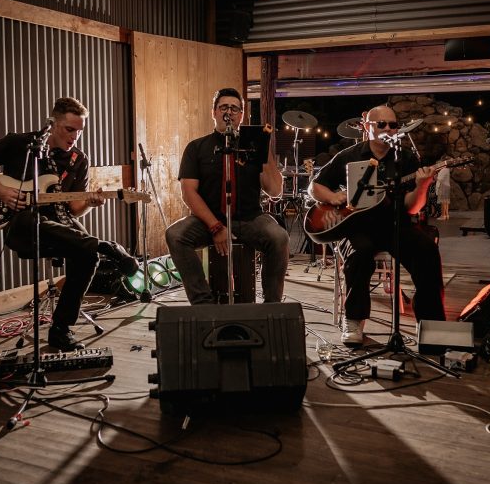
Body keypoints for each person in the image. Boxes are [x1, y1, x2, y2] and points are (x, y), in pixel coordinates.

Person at [0, 97, 139, 351]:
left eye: (79, 131)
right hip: (23, 226)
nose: (75, 137)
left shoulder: (78, 159)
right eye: (69, 130)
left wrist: (90, 203)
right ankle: (107, 247)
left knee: (88, 255)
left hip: (60, 227)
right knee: (31, 219)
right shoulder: (21, 144)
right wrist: (1, 190)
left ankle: (61, 329)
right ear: (52, 123)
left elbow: (73, 210)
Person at [308, 104, 446, 346]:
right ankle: (354, 321)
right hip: (357, 226)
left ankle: (430, 324)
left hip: (395, 224)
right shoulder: (350, 156)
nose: (388, 129)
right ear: (367, 127)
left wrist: (423, 185)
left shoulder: (405, 159)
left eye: (393, 125)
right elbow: (315, 186)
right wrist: (332, 198)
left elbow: (412, 207)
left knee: (427, 250)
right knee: (360, 254)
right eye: (381, 124)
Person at [165, 87, 289, 304]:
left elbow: (275, 191)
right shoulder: (197, 148)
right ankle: (203, 303)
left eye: (234, 108)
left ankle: (272, 307)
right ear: (213, 112)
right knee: (175, 235)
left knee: (279, 237)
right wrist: (215, 226)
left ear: (242, 115)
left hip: (250, 218)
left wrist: (264, 150)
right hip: (209, 219)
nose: (229, 112)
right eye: (223, 107)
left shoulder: (253, 146)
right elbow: (188, 192)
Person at [435, 155, 452, 220]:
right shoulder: (447, 169)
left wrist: (436, 177)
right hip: (447, 186)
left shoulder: (443, 170)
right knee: (446, 201)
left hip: (443, 186)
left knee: (443, 201)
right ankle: (447, 215)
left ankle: (443, 215)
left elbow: (440, 179)